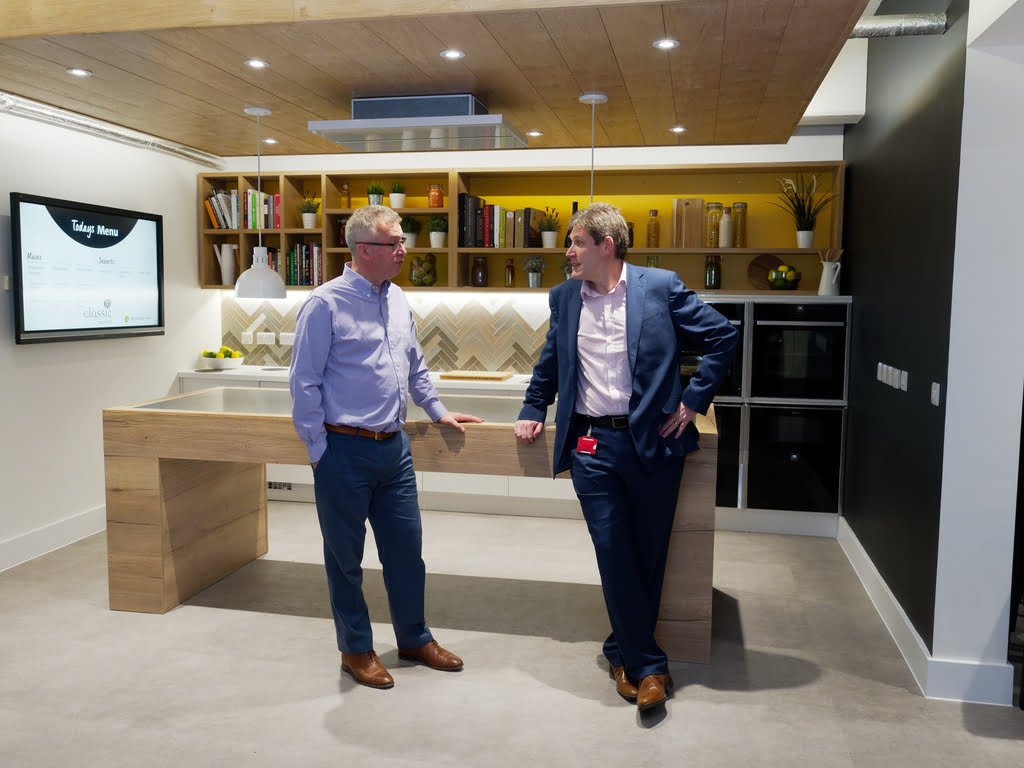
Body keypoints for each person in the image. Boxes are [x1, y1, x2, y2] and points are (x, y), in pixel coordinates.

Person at [514, 202, 737, 712]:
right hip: (592, 446)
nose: (567, 252)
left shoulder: (658, 287)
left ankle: (622, 654)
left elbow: (724, 336)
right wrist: (532, 405)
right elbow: (552, 362)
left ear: (605, 246)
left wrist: (693, 399)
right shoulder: (564, 297)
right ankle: (651, 668)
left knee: (648, 553)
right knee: (613, 550)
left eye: (575, 243)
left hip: (655, 442)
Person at [290, 205, 482, 690]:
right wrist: (319, 451)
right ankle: (355, 649)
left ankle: (414, 638)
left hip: (394, 450)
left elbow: (413, 366)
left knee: (406, 553)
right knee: (345, 560)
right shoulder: (324, 304)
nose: (403, 250)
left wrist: (437, 409)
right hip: (342, 450)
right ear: (362, 250)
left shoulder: (397, 299)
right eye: (394, 243)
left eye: (401, 241)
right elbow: (304, 384)